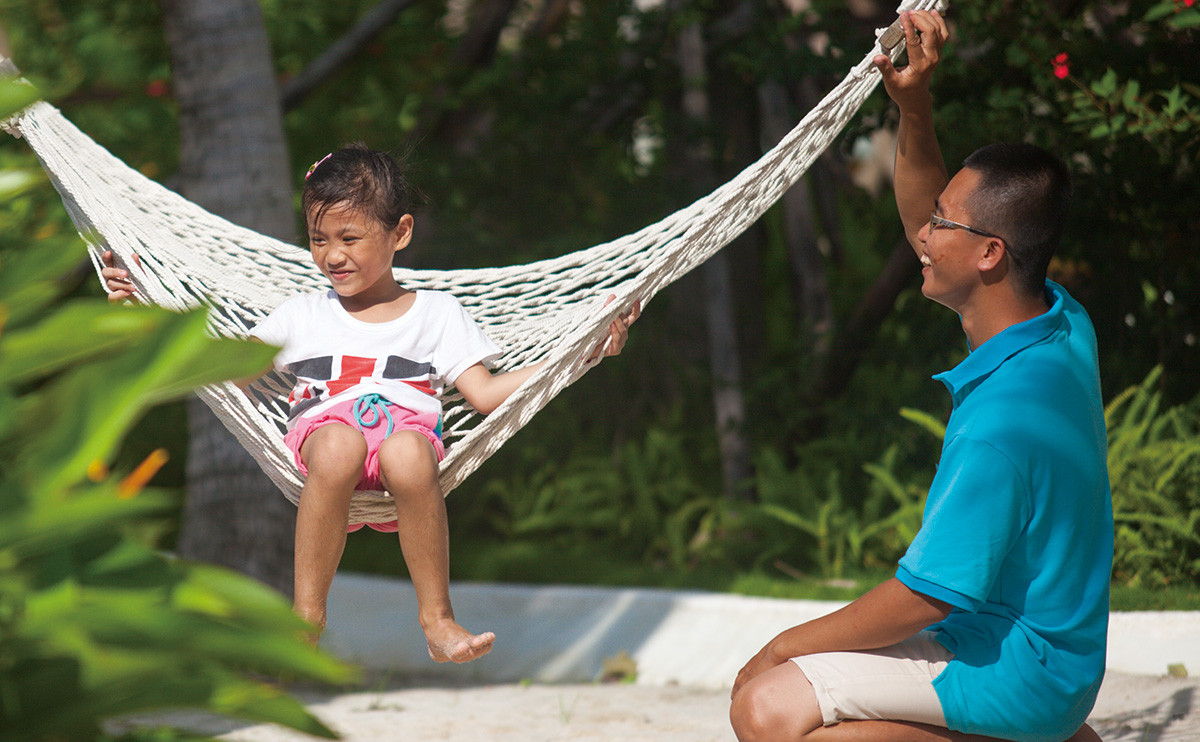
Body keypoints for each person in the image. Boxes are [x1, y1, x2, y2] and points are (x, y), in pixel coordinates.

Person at [102, 143, 641, 663]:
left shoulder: (437, 315)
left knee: (409, 454)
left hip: (406, 443)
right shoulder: (301, 315)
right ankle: (307, 616)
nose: (333, 255)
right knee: (338, 445)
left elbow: (485, 394)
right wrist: (150, 307)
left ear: (399, 232)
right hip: (325, 437)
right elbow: (226, 368)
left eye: (350, 238)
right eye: (318, 239)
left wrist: (579, 354)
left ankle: (437, 619)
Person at [729, 10, 1111, 742]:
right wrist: (914, 107)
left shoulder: (1004, 425)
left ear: (992, 254)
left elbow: (922, 600)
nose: (922, 238)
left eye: (943, 225)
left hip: (1019, 672)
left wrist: (783, 646)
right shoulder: (1061, 325)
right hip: (1046, 660)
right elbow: (930, 223)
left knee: (769, 705)